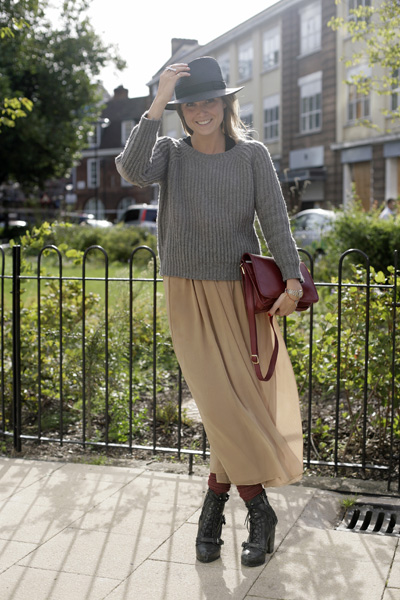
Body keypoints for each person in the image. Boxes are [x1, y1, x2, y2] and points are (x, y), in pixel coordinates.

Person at [115, 56, 304, 568]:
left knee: (234, 404)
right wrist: (158, 99)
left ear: (225, 104)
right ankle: (258, 508)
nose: (202, 111)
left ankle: (213, 508)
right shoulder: (170, 154)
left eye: (210, 101)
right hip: (186, 292)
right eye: (191, 104)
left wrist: (293, 278)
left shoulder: (252, 156)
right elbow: (131, 170)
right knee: (219, 403)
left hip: (239, 295)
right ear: (182, 111)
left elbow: (275, 220)